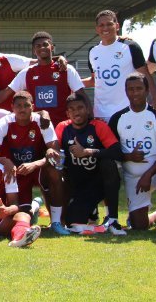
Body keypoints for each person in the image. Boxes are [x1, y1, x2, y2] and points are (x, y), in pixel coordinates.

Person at [0, 91, 69, 236]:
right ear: (12, 107)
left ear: (32, 106)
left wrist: (36, 164)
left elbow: (56, 153)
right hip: (15, 171)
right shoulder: (4, 123)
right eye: (18, 106)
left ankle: (56, 222)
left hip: (38, 168)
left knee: (55, 170)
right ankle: (34, 207)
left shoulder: (42, 121)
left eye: (26, 105)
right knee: (23, 215)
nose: (22, 109)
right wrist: (5, 161)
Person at [108, 73, 156, 231]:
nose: (134, 93)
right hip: (133, 177)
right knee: (139, 226)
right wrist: (128, 156)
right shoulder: (117, 118)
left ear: (147, 90)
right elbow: (111, 151)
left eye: (139, 88)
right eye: (130, 89)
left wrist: (148, 175)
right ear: (126, 92)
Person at [55, 93, 126, 235]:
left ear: (88, 109)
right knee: (72, 222)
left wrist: (87, 151)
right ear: (67, 113)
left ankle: (113, 220)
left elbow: (117, 152)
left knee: (108, 163)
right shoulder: (63, 128)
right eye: (72, 109)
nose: (77, 112)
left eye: (80, 108)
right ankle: (92, 213)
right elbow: (56, 154)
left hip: (98, 182)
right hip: (77, 184)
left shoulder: (98, 126)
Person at [0, 31, 86, 126]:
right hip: (38, 127)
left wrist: (90, 117)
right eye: (38, 46)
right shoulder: (27, 73)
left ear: (52, 47)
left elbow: (81, 94)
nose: (42, 48)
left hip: (63, 125)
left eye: (45, 44)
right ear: (34, 50)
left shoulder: (65, 69)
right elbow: (6, 92)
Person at [82, 10, 156, 120]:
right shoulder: (92, 51)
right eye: (101, 25)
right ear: (97, 29)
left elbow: (146, 75)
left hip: (127, 111)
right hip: (101, 114)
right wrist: (72, 82)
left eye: (109, 24)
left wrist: (155, 100)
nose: (105, 28)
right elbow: (95, 81)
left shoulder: (130, 47)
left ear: (117, 26)